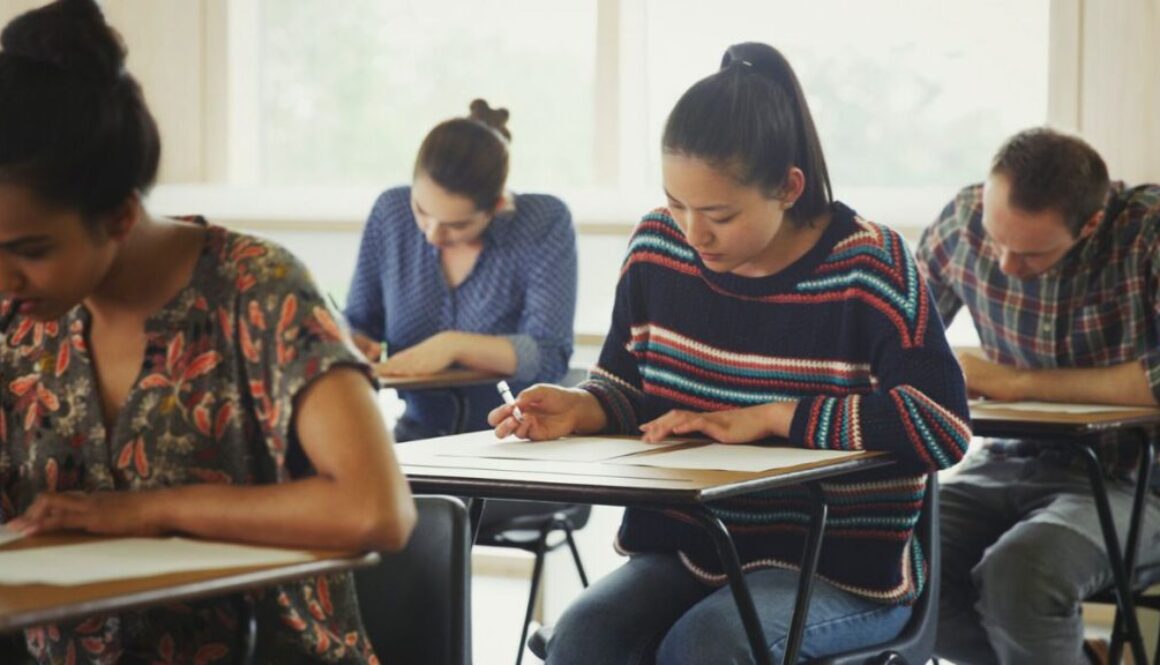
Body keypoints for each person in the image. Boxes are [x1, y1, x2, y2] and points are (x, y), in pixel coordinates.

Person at [488, 42, 971, 665]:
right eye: (676, 202)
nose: (693, 233)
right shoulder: (658, 248)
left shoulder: (870, 264)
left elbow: (941, 425)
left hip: (841, 568)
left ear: (789, 188)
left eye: (718, 213)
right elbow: (630, 393)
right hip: (693, 549)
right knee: (585, 634)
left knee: (708, 644)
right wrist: (581, 408)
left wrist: (777, 417)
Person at [0, 1, 416, 662]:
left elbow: (375, 509)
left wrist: (145, 509)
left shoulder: (257, 288)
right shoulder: (18, 317)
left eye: (30, 249)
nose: (5, 277)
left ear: (118, 216)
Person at [916, 127, 1160, 665]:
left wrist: (1016, 382)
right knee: (894, 559)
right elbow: (894, 342)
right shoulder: (962, 220)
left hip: (1137, 480)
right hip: (1003, 462)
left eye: (1029, 253)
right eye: (994, 237)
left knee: (1024, 572)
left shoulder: (1147, 232)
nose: (1004, 264)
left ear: (1091, 225)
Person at [344, 100, 577, 441]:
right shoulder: (390, 213)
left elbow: (549, 354)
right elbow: (360, 322)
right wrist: (352, 342)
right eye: (422, 210)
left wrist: (453, 346)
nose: (432, 234)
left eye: (456, 226)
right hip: (417, 439)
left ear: (496, 207)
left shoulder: (543, 223)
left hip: (516, 440)